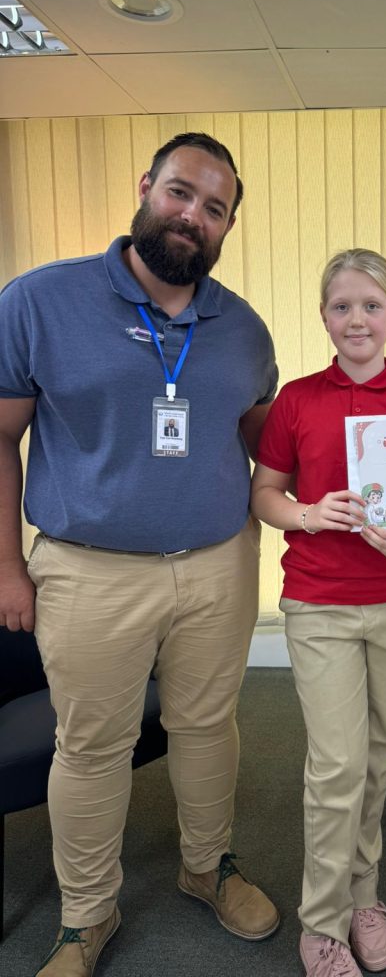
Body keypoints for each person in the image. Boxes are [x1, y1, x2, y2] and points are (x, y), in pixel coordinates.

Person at [0, 132, 280, 976]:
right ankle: (85, 917)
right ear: (146, 187)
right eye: (180, 192)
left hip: (218, 562)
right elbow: (1, 438)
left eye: (215, 207)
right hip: (89, 570)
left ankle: (207, 865)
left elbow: (272, 444)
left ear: (229, 225)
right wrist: (7, 567)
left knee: (207, 724)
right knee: (91, 745)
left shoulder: (243, 329)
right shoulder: (40, 301)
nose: (193, 214)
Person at [250, 248, 386, 977]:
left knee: (377, 755)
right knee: (337, 765)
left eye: (371, 305)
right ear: (324, 317)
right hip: (320, 603)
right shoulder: (297, 401)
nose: (357, 319)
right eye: (342, 306)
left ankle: (365, 894)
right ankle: (323, 922)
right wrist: (307, 513)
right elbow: (265, 494)